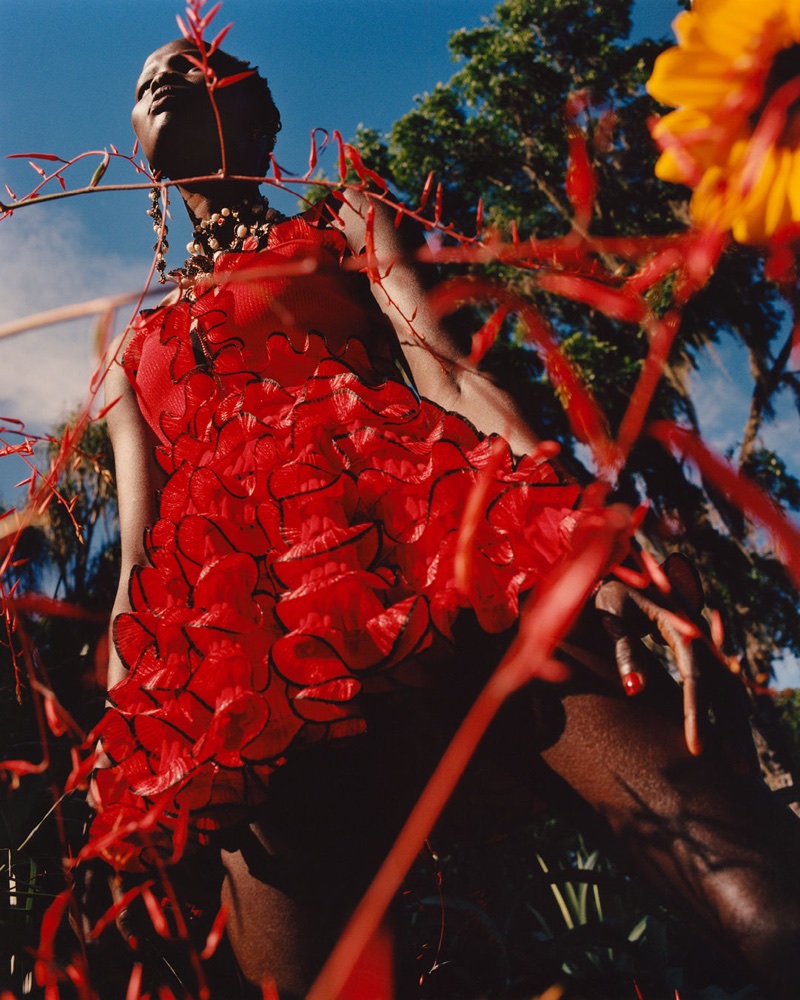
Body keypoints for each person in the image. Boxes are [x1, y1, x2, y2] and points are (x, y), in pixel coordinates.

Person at [87, 37, 800, 998]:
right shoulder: (127, 348)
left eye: (200, 63)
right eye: (146, 82)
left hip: (438, 544)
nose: (166, 78)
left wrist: (584, 541)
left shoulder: (345, 221)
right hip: (246, 650)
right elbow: (140, 550)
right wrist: (132, 728)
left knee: (751, 886)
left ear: (260, 119)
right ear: (135, 143)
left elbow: (453, 374)